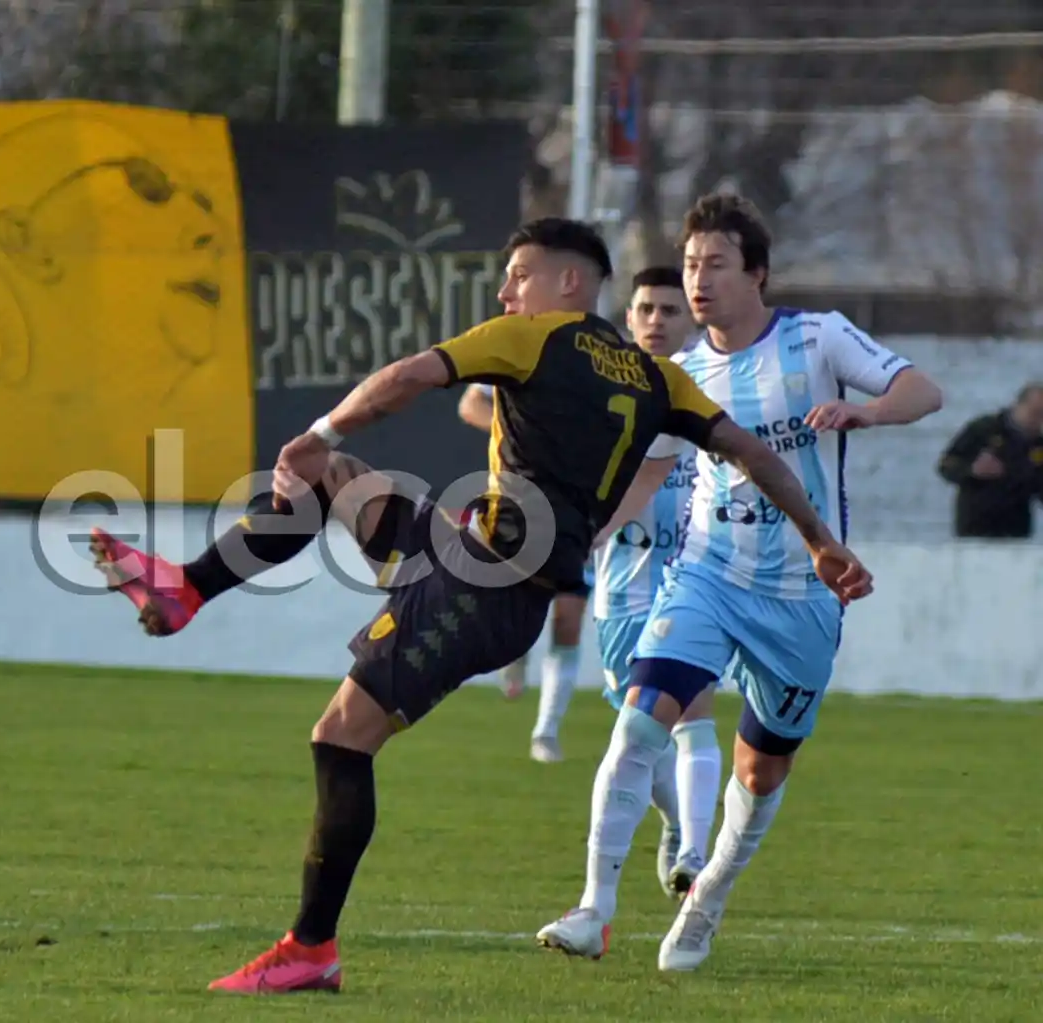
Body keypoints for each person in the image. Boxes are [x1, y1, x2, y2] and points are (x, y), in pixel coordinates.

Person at [89, 216, 873, 995]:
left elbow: (406, 376)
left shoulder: (531, 338)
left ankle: (311, 947)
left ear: (569, 281)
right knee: (341, 478)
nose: (505, 292)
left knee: (341, 737)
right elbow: (755, 453)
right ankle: (187, 588)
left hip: (483, 586)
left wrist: (314, 429)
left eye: (518, 275)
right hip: (478, 559)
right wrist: (816, 537)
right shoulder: (656, 377)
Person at [537, 193, 941, 973]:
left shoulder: (818, 337)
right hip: (706, 575)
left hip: (803, 596)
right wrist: (577, 539)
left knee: (760, 769)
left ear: (757, 272)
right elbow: (646, 478)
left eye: (715, 264)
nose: (699, 279)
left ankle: (708, 895)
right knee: (639, 718)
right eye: (690, 264)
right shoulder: (679, 375)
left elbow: (925, 390)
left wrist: (869, 415)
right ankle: (595, 906)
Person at [586, 264, 719, 899]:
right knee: (637, 732)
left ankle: (695, 851)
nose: (658, 321)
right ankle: (675, 821)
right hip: (623, 591)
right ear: (630, 317)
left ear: (691, 320)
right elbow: (480, 400)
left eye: (671, 310)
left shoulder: (711, 385)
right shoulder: (604, 389)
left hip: (695, 583)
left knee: (694, 715)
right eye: (647, 309)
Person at [458, 384, 594, 761]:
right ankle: (516, 654)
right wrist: (522, 435)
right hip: (521, 510)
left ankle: (546, 731)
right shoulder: (524, 349)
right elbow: (470, 403)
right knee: (519, 609)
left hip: (577, 511)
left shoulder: (604, 360)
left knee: (568, 620)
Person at [936, 382, 1043, 538]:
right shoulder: (983, 430)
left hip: (1016, 530)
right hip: (975, 527)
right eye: (1035, 413)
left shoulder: (1038, 444)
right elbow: (945, 466)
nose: (1038, 421)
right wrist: (972, 470)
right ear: (1018, 406)